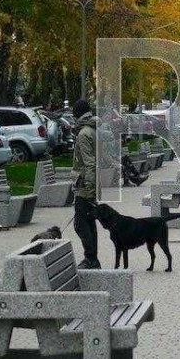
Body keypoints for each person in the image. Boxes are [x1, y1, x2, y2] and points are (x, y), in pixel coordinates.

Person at [71, 98, 101, 269]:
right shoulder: (94, 129)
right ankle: (93, 258)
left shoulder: (84, 134)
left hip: (85, 184)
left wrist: (89, 189)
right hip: (93, 182)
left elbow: (90, 164)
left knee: (80, 224)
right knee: (89, 222)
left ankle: (90, 258)